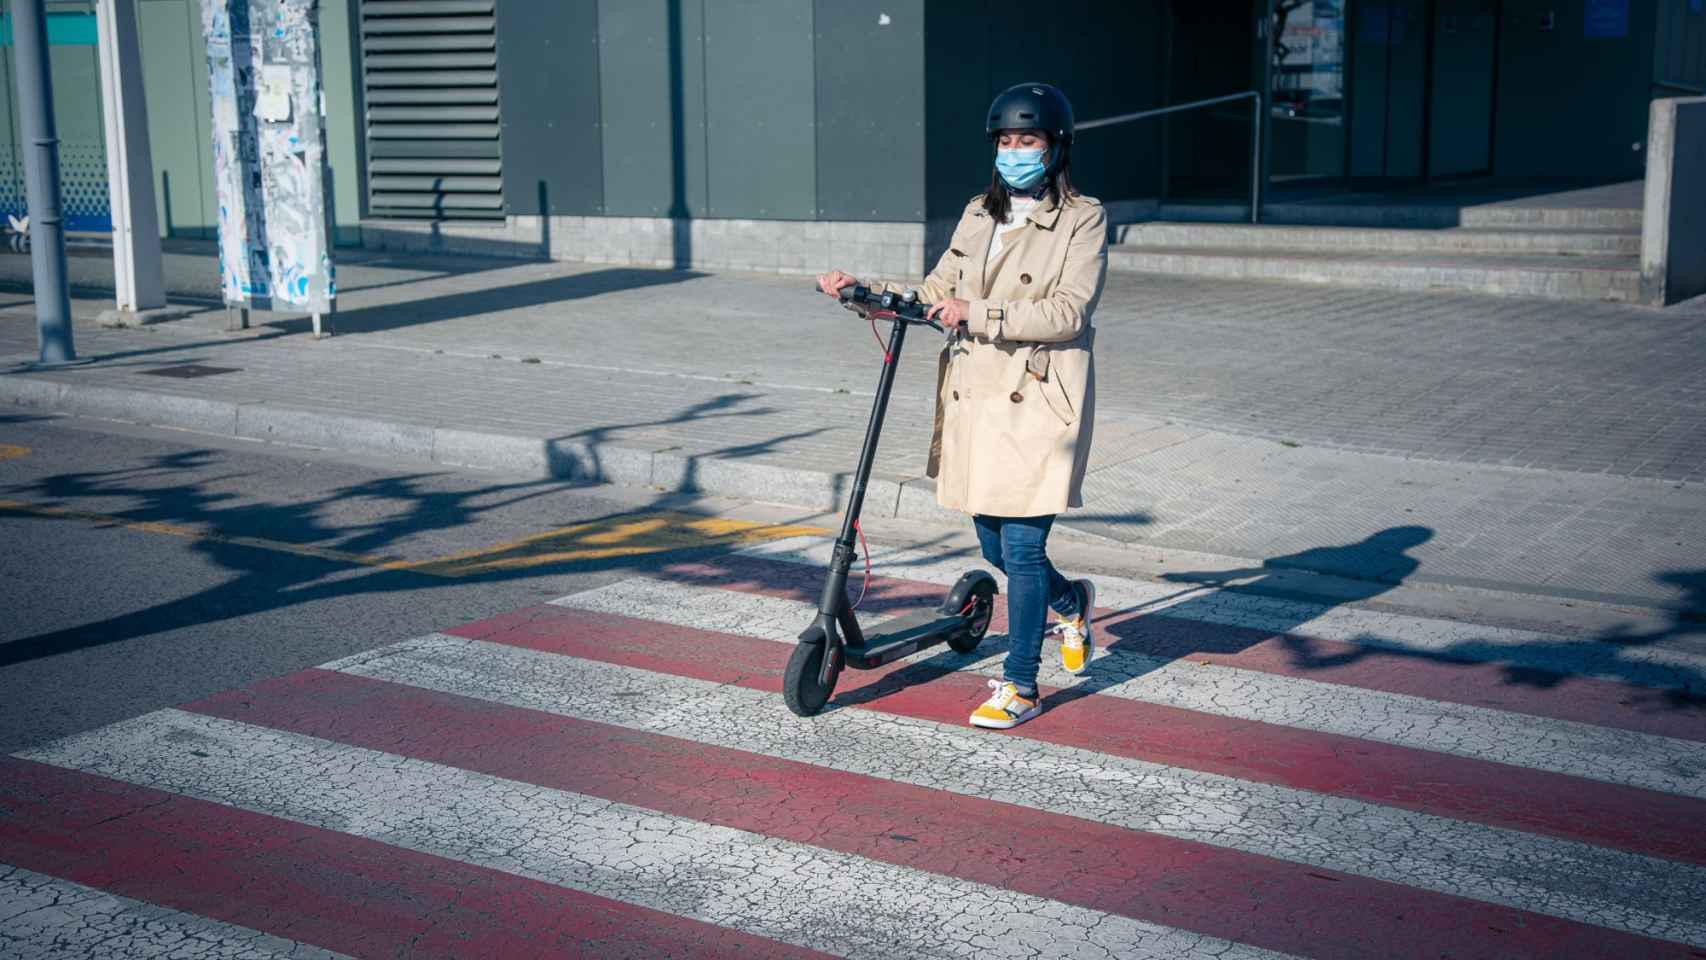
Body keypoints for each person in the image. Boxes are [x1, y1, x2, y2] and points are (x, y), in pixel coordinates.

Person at [816, 82, 1105, 730]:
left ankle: (1021, 684)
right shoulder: (981, 213)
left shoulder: (1083, 219)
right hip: (976, 401)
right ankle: (1072, 602)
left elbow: (1068, 311)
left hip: (1036, 401)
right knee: (997, 551)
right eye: (1005, 141)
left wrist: (978, 312)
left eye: (1027, 141)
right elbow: (937, 289)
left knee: (1024, 551)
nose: (1014, 152)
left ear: (1056, 147)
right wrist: (865, 292)